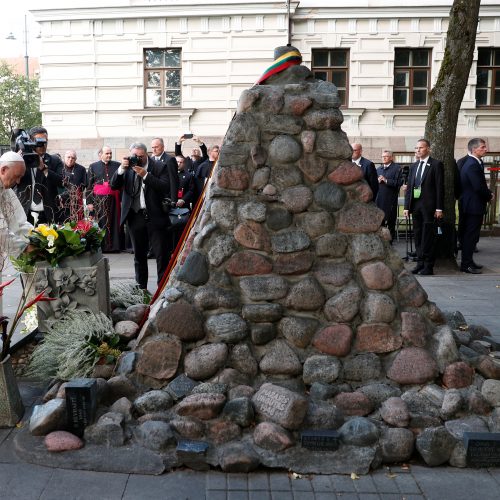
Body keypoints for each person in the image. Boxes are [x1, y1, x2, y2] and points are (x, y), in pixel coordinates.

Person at [110, 142, 179, 290]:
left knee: (162, 256)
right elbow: (113, 185)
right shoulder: (127, 167)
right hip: (135, 216)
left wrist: (146, 175)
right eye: (135, 156)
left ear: (147, 154)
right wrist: (122, 168)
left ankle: (162, 290)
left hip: (156, 217)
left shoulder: (159, 166)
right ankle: (141, 290)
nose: (138, 159)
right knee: (139, 256)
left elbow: (165, 187)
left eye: (141, 156)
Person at [403, 138, 444, 276]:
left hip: (430, 207)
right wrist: (406, 207)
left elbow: (439, 187)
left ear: (428, 149)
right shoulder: (414, 166)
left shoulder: (436, 165)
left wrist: (439, 208)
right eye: (416, 148)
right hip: (416, 207)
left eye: (420, 148)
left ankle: (428, 265)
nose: (417, 150)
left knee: (428, 236)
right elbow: (409, 188)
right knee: (418, 235)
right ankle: (419, 263)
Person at [14, 126, 63, 225]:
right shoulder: (21, 160)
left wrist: (44, 168)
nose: (43, 145)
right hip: (25, 213)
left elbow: (62, 182)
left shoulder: (55, 160)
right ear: (31, 142)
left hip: (48, 214)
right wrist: (15, 163)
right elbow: (9, 183)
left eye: (45, 142)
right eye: (39, 142)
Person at [459, 138, 494, 274]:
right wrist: (489, 195)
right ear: (474, 149)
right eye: (483, 147)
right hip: (472, 206)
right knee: (470, 236)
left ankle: (469, 261)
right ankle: (466, 264)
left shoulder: (474, 162)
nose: (485, 149)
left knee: (471, 236)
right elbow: (478, 187)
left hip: (470, 204)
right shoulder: (472, 164)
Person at [87, 146, 122, 252]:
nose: (109, 155)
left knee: (114, 222)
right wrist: (89, 202)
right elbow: (89, 185)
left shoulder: (117, 165)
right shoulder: (93, 166)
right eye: (107, 153)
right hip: (99, 200)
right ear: (100, 154)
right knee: (102, 222)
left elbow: (121, 183)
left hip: (114, 199)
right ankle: (103, 247)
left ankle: (115, 247)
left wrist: (121, 200)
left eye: (110, 153)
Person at [0, 152, 33, 265]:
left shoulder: (6, 188)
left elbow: (19, 222)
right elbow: (1, 232)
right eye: (17, 176)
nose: (18, 181)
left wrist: (38, 236)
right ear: (3, 170)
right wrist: (24, 248)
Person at [376, 150, 403, 242]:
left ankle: (390, 243)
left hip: (390, 200)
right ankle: (381, 242)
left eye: (386, 156)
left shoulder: (397, 168)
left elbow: (399, 182)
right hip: (379, 200)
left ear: (391, 157)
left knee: (391, 222)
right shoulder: (378, 169)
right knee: (380, 222)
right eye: (382, 156)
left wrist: (386, 180)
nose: (384, 158)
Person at [57, 150, 87, 223]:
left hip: (76, 201)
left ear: (75, 159)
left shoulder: (81, 169)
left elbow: (85, 184)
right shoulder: (59, 168)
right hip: (61, 201)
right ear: (64, 158)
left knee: (76, 222)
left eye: (73, 158)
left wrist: (76, 192)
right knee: (62, 221)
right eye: (68, 157)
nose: (70, 159)